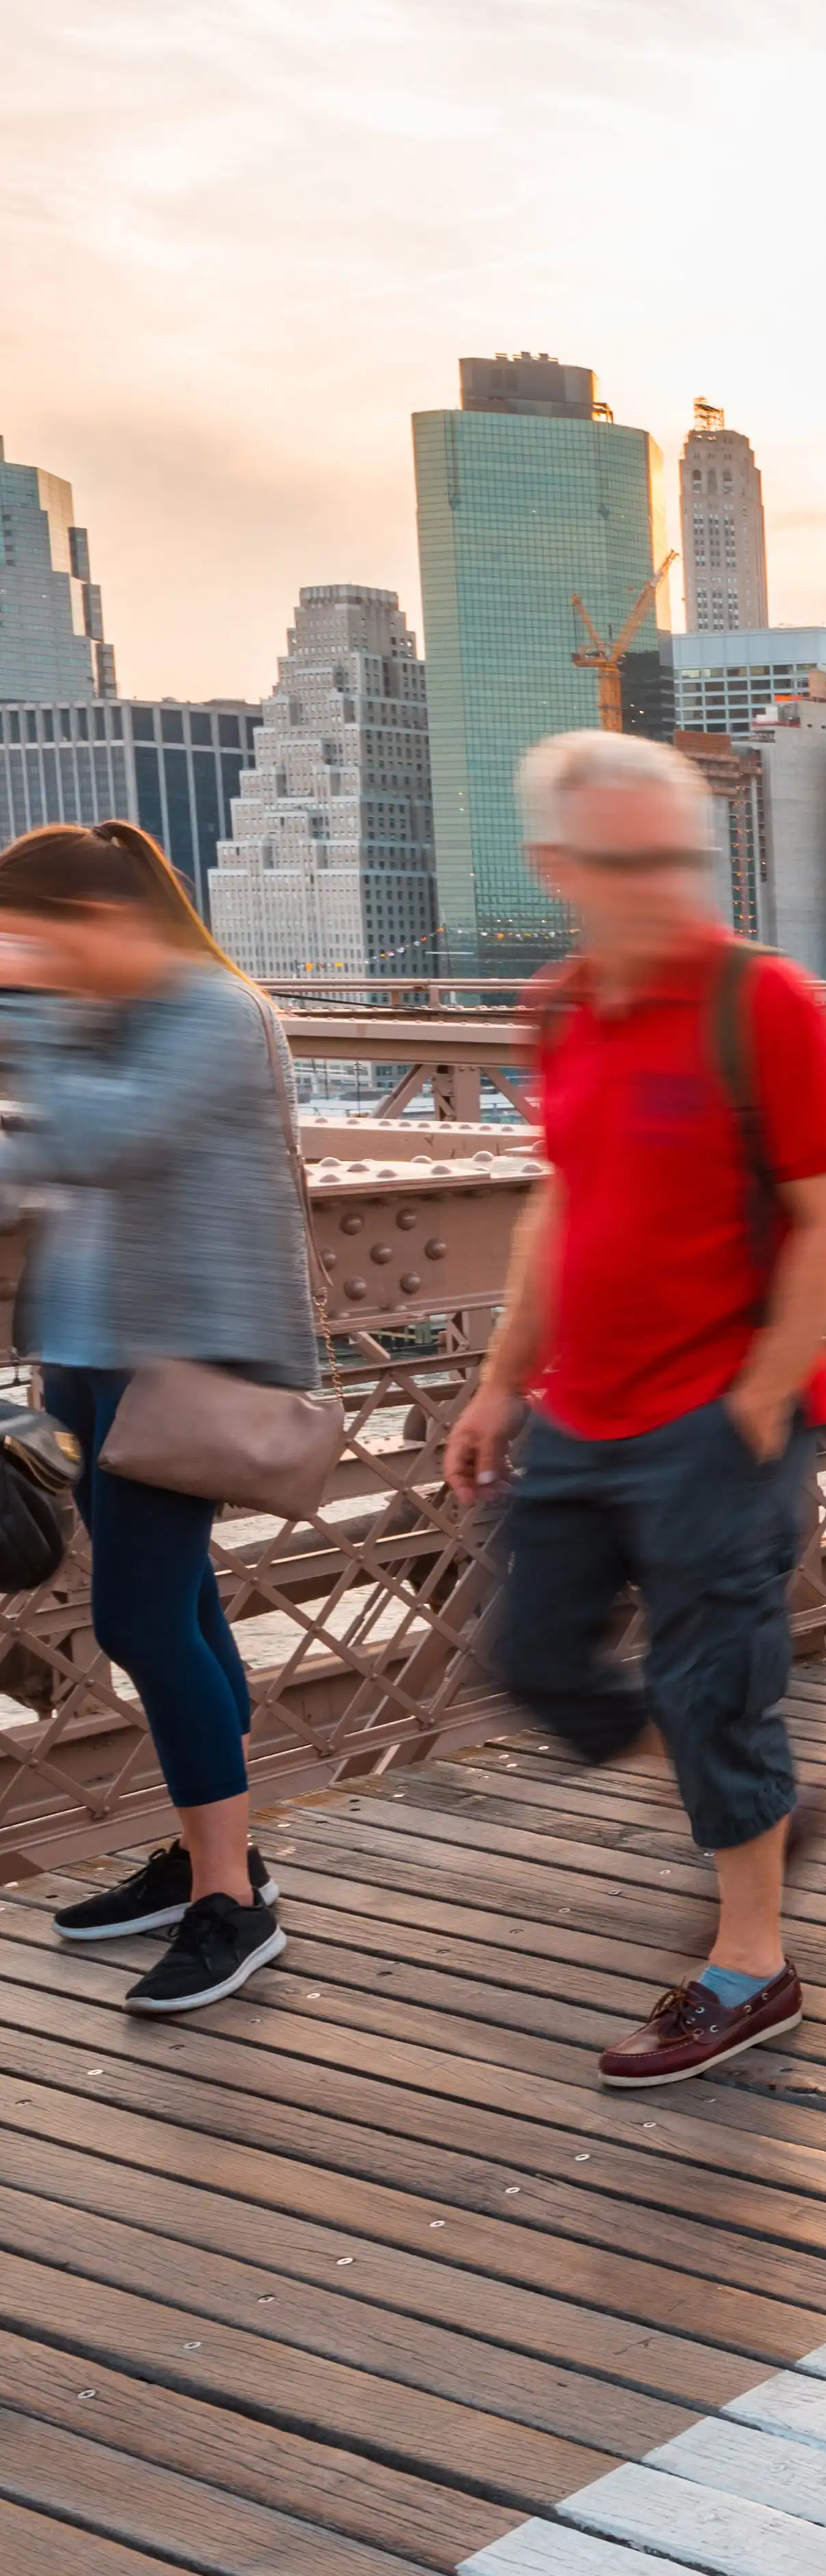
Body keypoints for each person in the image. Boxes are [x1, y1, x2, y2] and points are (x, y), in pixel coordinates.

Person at [440, 733, 826, 2088]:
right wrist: (506, 1375)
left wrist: (758, 1392)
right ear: (558, 869)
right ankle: (756, 1812)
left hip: (718, 1416)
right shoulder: (564, 1007)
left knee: (715, 1690)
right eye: (632, 866)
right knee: (534, 1658)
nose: (667, 890)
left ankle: (754, 1967)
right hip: (587, 1411)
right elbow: (566, 1196)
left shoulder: (767, 1005)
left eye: (683, 861)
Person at [0, 822, 316, 2016]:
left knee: (139, 1619)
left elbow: (96, 1141)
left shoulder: (213, 1015)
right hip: (88, 1352)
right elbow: (35, 1168)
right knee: (181, 1609)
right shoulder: (109, 1018)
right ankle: (204, 1860)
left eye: (27, 932)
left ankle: (233, 1905)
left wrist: (23, 1015)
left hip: (179, 1364)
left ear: (95, 918)